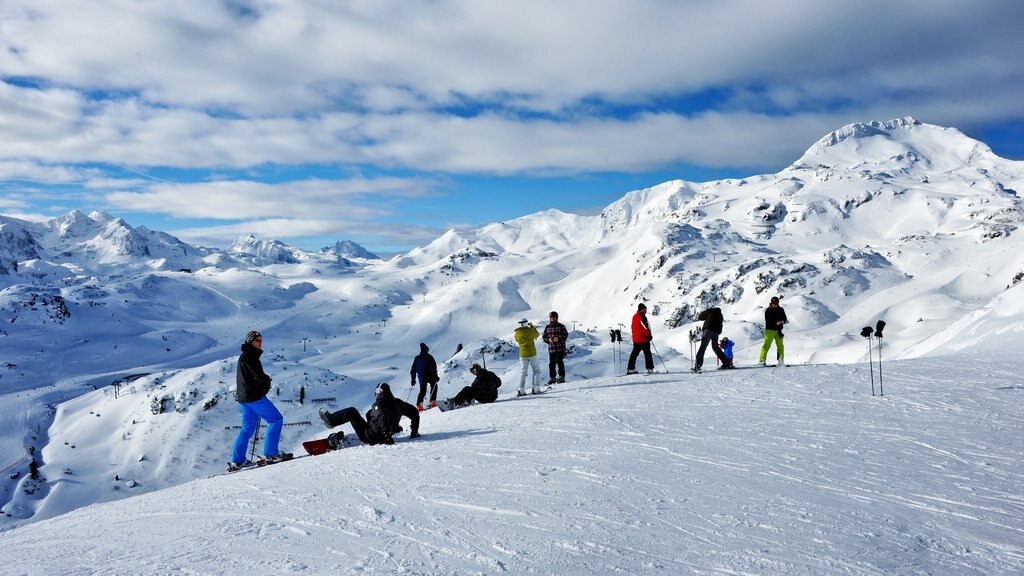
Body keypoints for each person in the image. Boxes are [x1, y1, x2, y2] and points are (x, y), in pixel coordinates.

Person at [230, 331, 290, 471]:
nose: (260, 342)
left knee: (247, 429)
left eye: (261, 339)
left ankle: (237, 461)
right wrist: (266, 381)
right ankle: (271, 454)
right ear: (250, 342)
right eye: (257, 340)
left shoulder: (245, 356)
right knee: (276, 419)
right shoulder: (250, 357)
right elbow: (258, 376)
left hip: (245, 398)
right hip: (254, 397)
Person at [319, 382, 420, 444]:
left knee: (351, 412)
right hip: (382, 434)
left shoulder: (378, 405)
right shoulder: (398, 403)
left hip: (371, 437)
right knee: (369, 416)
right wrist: (414, 431)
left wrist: (387, 437)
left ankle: (330, 420)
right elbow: (414, 412)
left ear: (378, 392)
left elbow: (382, 418)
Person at [693, 307, 732, 373]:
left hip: (708, 330)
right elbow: (721, 325)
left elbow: (700, 317)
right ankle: (726, 362)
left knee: (703, 347)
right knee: (715, 347)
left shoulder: (710, 311)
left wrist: (705, 313)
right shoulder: (720, 315)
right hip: (716, 333)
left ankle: (698, 365)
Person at [513, 318, 542, 396]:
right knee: (536, 370)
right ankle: (536, 388)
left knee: (523, 371)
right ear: (526, 323)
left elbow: (516, 340)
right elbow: (537, 334)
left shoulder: (517, 334)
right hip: (532, 353)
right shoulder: (530, 331)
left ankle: (521, 389)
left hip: (523, 354)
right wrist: (532, 327)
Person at [410, 342, 440, 410]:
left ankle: (419, 405)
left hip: (422, 377)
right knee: (434, 385)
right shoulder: (429, 357)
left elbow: (413, 370)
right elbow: (433, 368)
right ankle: (432, 401)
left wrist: (413, 379)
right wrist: (436, 376)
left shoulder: (417, 358)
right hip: (430, 376)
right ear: (426, 349)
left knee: (422, 391)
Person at [542, 311, 569, 384]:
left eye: (554, 317)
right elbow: (544, 337)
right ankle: (552, 378)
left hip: (560, 348)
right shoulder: (547, 327)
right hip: (551, 349)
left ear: (556, 318)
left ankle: (561, 377)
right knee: (552, 363)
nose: (552, 319)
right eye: (551, 317)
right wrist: (548, 340)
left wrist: (558, 338)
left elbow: (565, 335)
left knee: (559, 362)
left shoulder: (561, 326)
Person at [626, 303, 654, 375]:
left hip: (636, 340)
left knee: (634, 354)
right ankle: (650, 368)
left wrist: (635, 336)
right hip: (644, 340)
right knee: (647, 354)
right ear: (641, 309)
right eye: (644, 309)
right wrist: (649, 336)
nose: (645, 311)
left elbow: (633, 327)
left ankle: (631, 368)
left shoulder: (634, 317)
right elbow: (645, 328)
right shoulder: (642, 317)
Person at [759, 296, 787, 366]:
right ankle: (762, 360)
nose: (775, 304)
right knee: (766, 345)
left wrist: (782, 321)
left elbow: (785, 318)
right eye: (773, 303)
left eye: (776, 303)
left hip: (778, 331)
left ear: (778, 303)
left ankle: (780, 360)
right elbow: (768, 320)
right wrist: (777, 322)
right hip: (770, 330)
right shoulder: (768, 310)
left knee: (780, 346)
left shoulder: (781, 309)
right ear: (771, 303)